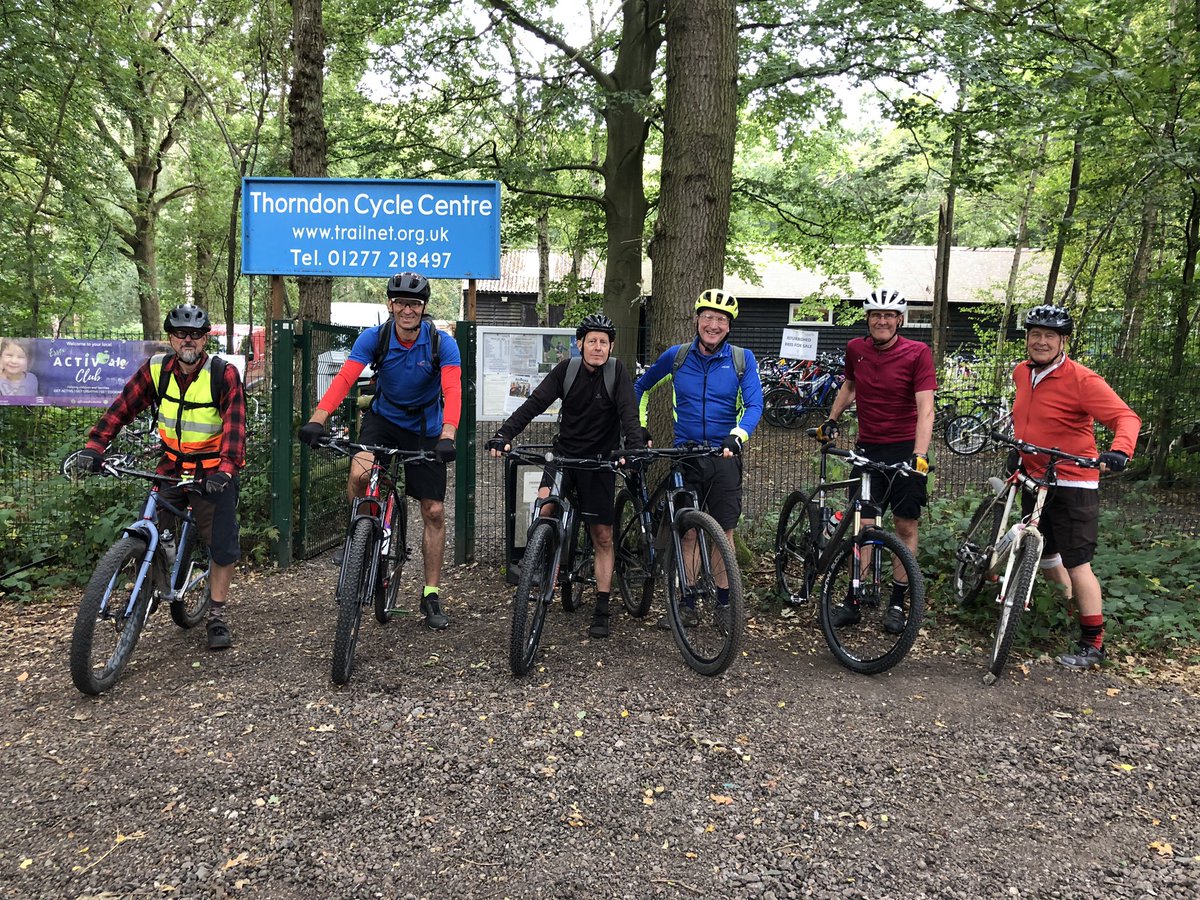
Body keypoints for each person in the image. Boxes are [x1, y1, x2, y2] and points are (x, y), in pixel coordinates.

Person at [74, 304, 245, 650]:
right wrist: (96, 446)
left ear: (204, 339)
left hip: (212, 469)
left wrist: (226, 469)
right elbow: (122, 407)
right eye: (181, 333)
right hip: (171, 464)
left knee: (221, 543)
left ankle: (215, 614)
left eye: (195, 334)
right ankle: (152, 579)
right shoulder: (156, 370)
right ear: (170, 337)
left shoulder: (221, 373)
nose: (188, 340)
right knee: (152, 524)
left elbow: (235, 425)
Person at [297, 273, 461, 630]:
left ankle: (431, 593)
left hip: (425, 428)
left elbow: (452, 387)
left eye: (414, 303)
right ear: (390, 305)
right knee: (359, 474)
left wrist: (448, 435)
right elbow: (344, 378)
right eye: (400, 302)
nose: (407, 309)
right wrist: (317, 419)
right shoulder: (376, 337)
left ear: (423, 307)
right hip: (383, 419)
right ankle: (358, 535)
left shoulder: (440, 344)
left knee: (433, 510)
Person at [485, 313, 645, 639]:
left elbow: (629, 414)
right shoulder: (566, 370)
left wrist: (636, 449)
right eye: (591, 341)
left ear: (610, 346)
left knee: (602, 535)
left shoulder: (618, 373)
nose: (597, 347)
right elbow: (535, 403)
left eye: (603, 342)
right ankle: (539, 565)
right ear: (580, 344)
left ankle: (602, 606)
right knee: (545, 510)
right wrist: (505, 434)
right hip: (564, 457)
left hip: (600, 463)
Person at [1010, 304, 1141, 670]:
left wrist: (1119, 451)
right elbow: (1028, 414)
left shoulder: (1083, 380)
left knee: (1078, 562)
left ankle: (1092, 642)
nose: (1041, 341)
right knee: (1044, 553)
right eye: (1035, 334)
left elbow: (1126, 417)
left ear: (1063, 341)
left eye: (1049, 336)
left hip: (1073, 482)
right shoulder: (1022, 372)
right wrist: (1019, 449)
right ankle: (1064, 608)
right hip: (1035, 479)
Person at [635, 289, 763, 627]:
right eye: (708, 316)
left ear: (729, 326)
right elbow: (640, 389)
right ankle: (688, 601)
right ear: (696, 319)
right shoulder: (676, 357)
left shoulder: (741, 359)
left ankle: (724, 603)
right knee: (688, 532)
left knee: (724, 533)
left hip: (724, 455)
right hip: (685, 455)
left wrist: (738, 436)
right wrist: (641, 429)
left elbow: (754, 405)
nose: (713, 324)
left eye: (721, 319)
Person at [818, 289, 936, 634]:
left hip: (906, 451)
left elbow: (926, 408)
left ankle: (898, 602)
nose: (882, 321)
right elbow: (850, 386)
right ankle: (854, 599)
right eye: (875, 315)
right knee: (864, 526)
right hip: (868, 449)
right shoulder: (856, 349)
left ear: (900, 319)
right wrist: (832, 419)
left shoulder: (917, 353)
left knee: (905, 526)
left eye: (889, 315)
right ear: (868, 319)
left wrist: (920, 454)